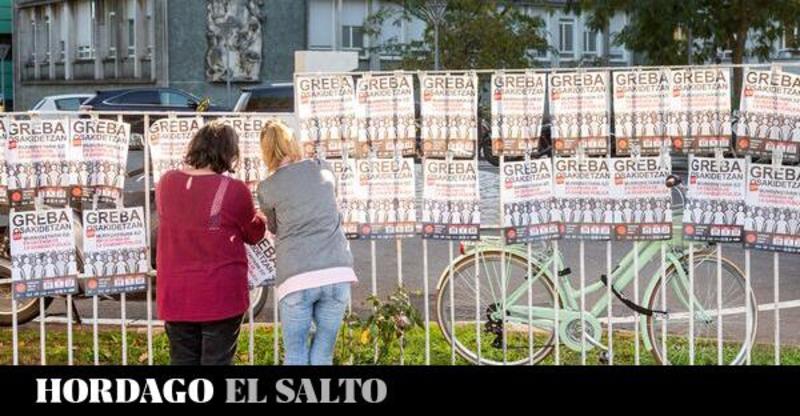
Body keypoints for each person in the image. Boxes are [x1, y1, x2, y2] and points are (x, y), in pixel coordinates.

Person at [156, 121, 266, 366]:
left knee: (182, 361)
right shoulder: (235, 190)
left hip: (176, 293)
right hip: (221, 295)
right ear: (230, 154)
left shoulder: (166, 183)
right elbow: (254, 233)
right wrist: (260, 218)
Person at [257, 120, 357, 366]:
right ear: (293, 143)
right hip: (336, 271)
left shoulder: (267, 187)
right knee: (323, 354)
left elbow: (273, 227)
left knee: (296, 354)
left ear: (266, 152)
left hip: (296, 277)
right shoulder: (323, 168)